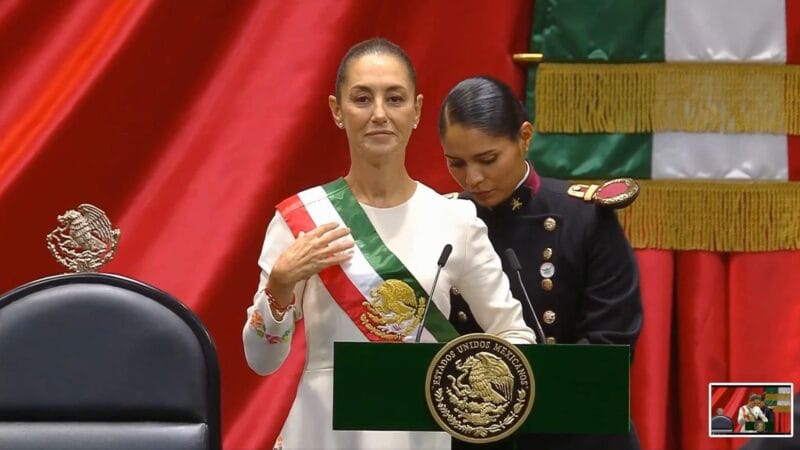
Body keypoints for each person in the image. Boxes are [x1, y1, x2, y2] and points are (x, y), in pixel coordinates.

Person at [242, 40, 536, 450]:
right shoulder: (301, 219)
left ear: (416, 111)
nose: (379, 114)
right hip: (322, 433)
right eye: (362, 98)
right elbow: (261, 360)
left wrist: (468, 392)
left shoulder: (456, 221)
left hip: (419, 430)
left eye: (394, 98)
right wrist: (280, 283)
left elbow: (516, 336)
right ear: (337, 111)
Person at [437, 76, 644, 449]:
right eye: (457, 163)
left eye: (488, 159)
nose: (474, 178)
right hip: (478, 432)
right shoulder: (443, 220)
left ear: (525, 137)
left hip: (576, 430)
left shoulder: (583, 217)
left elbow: (611, 342)